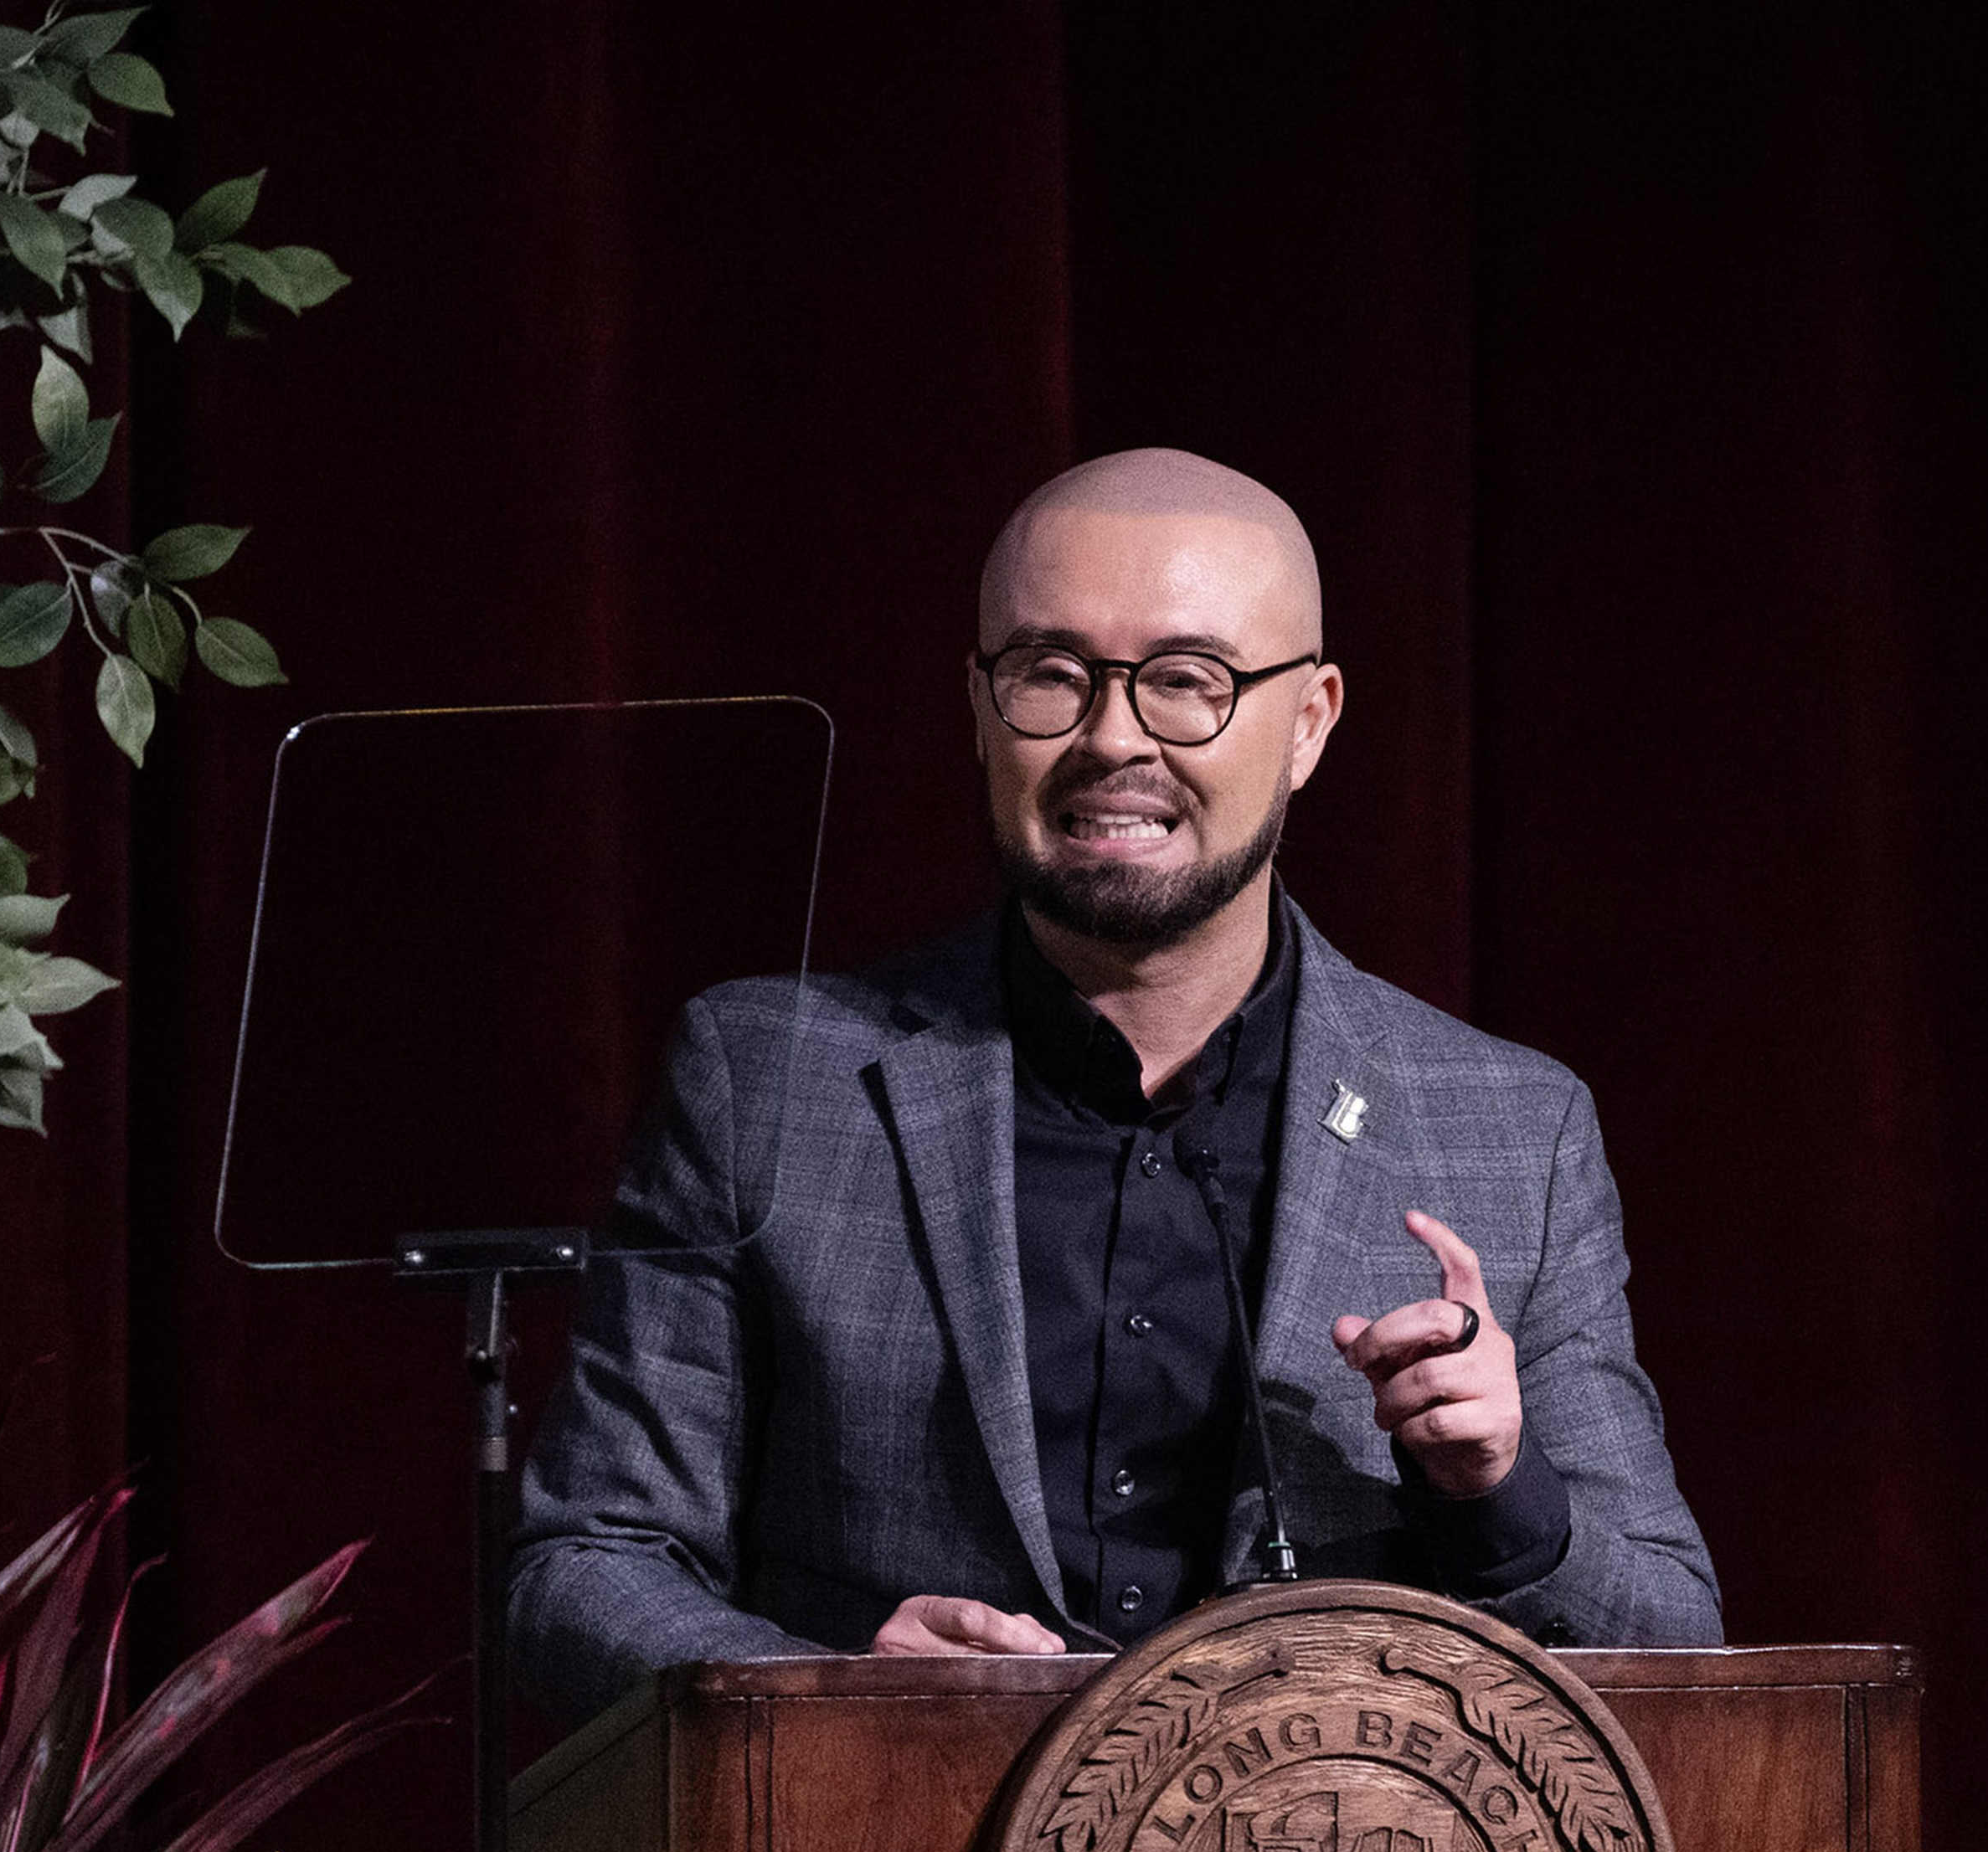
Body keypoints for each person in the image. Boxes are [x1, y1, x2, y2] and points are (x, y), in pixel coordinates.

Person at [512, 448, 1723, 1726]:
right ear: (979, 710)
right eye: (1051, 676)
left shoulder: (1509, 1130)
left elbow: (1675, 1649)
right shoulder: (765, 1082)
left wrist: (1499, 1489)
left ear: (1309, 722)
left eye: (1188, 683)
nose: (1112, 738)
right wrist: (829, 1689)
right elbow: (583, 1569)